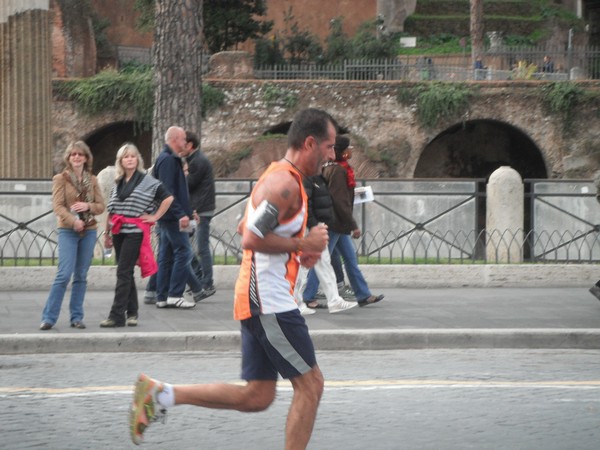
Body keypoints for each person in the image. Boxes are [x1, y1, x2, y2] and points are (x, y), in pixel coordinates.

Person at [128, 108, 333, 448]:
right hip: (269, 301)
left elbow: (244, 224)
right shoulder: (283, 183)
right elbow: (250, 237)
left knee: (257, 396)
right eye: (328, 146)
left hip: (257, 298)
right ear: (310, 142)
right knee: (311, 385)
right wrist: (304, 242)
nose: (332, 155)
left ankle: (160, 395)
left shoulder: (280, 176)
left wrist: (298, 252)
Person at [303, 135, 384, 307]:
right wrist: (353, 225)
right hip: (335, 223)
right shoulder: (340, 171)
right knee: (322, 260)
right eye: (349, 148)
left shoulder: (331, 168)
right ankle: (308, 296)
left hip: (336, 223)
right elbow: (339, 201)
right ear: (343, 152)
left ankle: (363, 295)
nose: (351, 151)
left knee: (350, 260)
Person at [100, 144, 174, 327]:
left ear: (138, 159)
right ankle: (132, 312)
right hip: (118, 230)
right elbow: (111, 210)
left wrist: (155, 216)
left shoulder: (148, 181)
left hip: (135, 231)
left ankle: (117, 315)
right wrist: (107, 233)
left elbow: (168, 198)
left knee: (123, 271)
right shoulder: (118, 182)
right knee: (126, 272)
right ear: (121, 161)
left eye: (133, 156)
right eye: (126, 157)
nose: (130, 159)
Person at [39, 141, 105, 330]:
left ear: (86, 158)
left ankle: (76, 317)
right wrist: (72, 220)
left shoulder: (92, 180)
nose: (76, 157)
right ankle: (49, 318)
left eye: (80, 154)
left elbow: (101, 206)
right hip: (68, 230)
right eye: (73, 154)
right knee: (64, 274)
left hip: (89, 230)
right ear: (68, 158)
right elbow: (58, 206)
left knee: (81, 276)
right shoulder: (61, 178)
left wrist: (88, 206)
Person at [152, 126, 204, 309]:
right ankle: (175, 294)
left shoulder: (169, 159)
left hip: (172, 216)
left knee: (166, 256)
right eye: (183, 139)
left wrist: (190, 213)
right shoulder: (168, 160)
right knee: (184, 253)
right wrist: (181, 214)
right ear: (175, 139)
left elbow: (177, 192)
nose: (185, 143)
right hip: (173, 218)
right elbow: (167, 192)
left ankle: (162, 296)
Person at [295, 173, 358, 314]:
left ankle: (333, 300)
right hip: (313, 227)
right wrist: (313, 226)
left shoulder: (318, 177)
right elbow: (306, 203)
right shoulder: (308, 177)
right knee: (303, 266)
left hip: (318, 225)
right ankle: (298, 302)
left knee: (323, 261)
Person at [182, 130, 216, 300]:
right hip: (198, 209)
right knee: (187, 247)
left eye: (182, 143)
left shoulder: (197, 161)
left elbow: (189, 185)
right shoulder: (194, 160)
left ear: (189, 145)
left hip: (201, 210)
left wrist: (183, 174)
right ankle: (199, 279)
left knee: (201, 248)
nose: (180, 147)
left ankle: (207, 283)